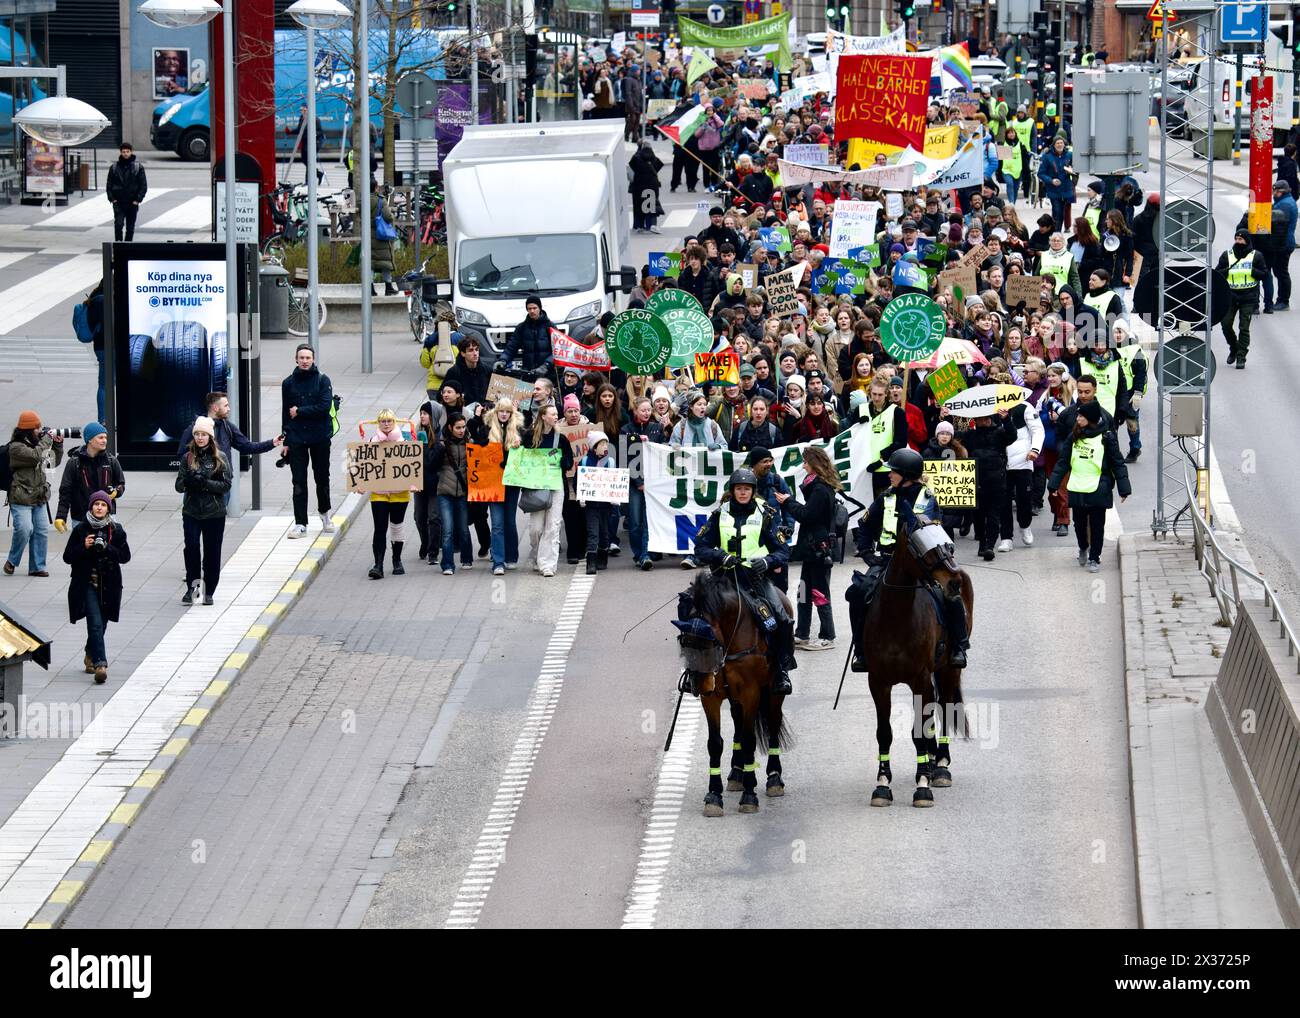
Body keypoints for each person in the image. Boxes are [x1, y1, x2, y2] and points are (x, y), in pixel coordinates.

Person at [847, 448, 970, 671]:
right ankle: (861, 650)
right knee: (857, 593)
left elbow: (930, 532)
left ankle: (959, 646)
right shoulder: (886, 496)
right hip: (886, 561)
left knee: (950, 595)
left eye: (893, 472)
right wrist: (867, 553)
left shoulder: (928, 499)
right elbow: (865, 525)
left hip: (921, 562)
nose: (889, 475)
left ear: (906, 475)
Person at [691, 467, 795, 695]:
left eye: (747, 489)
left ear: (753, 491)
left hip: (755, 579)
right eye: (739, 489)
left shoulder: (766, 514)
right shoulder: (719, 514)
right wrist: (720, 555)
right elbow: (700, 547)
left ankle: (781, 670)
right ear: (733, 490)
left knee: (781, 618)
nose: (743, 493)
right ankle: (695, 672)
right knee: (692, 614)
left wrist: (767, 562)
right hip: (723, 578)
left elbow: (783, 551)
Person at [1048, 399, 1131, 573]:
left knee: (1097, 525)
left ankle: (1094, 557)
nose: (1077, 418)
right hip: (1077, 485)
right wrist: (1054, 484)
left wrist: (1124, 489)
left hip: (1098, 486)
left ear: (1091, 418)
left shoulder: (1107, 437)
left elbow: (1118, 463)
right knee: (1079, 524)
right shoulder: (1074, 436)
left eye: (1081, 415)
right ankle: (1083, 547)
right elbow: (1063, 462)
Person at [772, 445, 840, 651]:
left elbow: (806, 515)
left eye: (805, 462)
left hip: (818, 549)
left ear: (814, 464)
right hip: (811, 550)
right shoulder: (817, 486)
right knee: (803, 591)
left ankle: (827, 636)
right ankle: (802, 633)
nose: (803, 465)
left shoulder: (820, 489)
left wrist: (788, 502)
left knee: (819, 592)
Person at [63, 490, 130, 685]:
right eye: (96, 504)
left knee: (103, 622)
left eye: (103, 505)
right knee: (95, 622)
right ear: (91, 506)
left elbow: (125, 557)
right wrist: (83, 546)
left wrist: (107, 547)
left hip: (109, 584)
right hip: (87, 584)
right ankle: (101, 665)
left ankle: (89, 654)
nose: (99, 507)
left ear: (108, 508)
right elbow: (67, 557)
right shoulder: (81, 530)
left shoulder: (116, 530)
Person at [175, 392, 281, 497]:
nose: (229, 409)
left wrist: (272, 443)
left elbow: (247, 447)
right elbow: (182, 455)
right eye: (225, 405)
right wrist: (193, 474)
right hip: (196, 487)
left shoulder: (227, 427)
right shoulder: (195, 428)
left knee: (219, 513)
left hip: (220, 486)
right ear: (215, 407)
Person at [175, 415, 231, 605]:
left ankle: (209, 590)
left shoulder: (220, 458)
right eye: (197, 434)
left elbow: (226, 485)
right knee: (191, 549)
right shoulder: (187, 457)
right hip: (191, 511)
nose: (200, 438)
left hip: (214, 513)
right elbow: (178, 486)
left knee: (212, 552)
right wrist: (189, 481)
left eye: (203, 434)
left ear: (210, 437)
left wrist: (205, 483)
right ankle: (193, 587)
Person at [281, 343, 335, 538]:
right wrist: (285, 439)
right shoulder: (288, 383)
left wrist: (300, 411)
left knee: (322, 478)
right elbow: (285, 413)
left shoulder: (323, 380)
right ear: (296, 359)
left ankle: (325, 514)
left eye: (308, 358)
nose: (304, 361)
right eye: (301, 358)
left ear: (313, 359)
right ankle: (301, 523)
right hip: (296, 438)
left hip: (320, 437)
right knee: (298, 482)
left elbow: (324, 406)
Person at [4, 411, 62, 576]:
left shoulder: (38, 444)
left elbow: (51, 463)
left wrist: (57, 444)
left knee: (41, 531)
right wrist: (47, 439)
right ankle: (12, 560)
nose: (39, 430)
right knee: (24, 529)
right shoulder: (16, 448)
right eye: (36, 428)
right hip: (21, 496)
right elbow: (36, 456)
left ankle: (37, 567)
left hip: (39, 496)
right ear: (28, 430)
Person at [521, 403, 572, 577]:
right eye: (552, 414)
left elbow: (569, 462)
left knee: (553, 525)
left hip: (556, 485)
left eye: (556, 414)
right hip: (536, 486)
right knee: (536, 528)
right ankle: (536, 556)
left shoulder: (561, 439)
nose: (555, 416)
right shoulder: (529, 437)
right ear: (543, 416)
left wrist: (562, 461)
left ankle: (548, 564)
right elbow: (522, 458)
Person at [476, 397, 524, 575]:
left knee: (509, 521)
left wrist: (518, 446)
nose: (504, 414)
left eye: (507, 411)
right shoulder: (487, 429)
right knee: (496, 523)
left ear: (511, 414)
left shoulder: (518, 430)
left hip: (511, 483)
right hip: (493, 482)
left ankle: (511, 556)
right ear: (496, 412)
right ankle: (498, 561)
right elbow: (479, 447)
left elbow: (524, 455)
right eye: (501, 411)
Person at [366, 410, 413, 579]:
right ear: (378, 423)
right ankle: (378, 564)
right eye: (383, 421)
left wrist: (413, 484)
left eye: (389, 421)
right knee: (380, 528)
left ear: (394, 422)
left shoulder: (404, 441)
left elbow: (411, 466)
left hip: (400, 492)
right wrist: (361, 484)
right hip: (379, 492)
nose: (386, 424)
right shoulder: (372, 441)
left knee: (397, 527)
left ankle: (397, 560)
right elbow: (366, 465)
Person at [55, 421, 125, 534]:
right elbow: (65, 491)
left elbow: (121, 484)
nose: (104, 441)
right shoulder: (74, 463)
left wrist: (116, 492)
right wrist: (61, 516)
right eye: (100, 437)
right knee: (82, 550)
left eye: (105, 437)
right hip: (81, 518)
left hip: (107, 517)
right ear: (90, 440)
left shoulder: (111, 461)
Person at [1216, 229, 1267, 369]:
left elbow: (1265, 274)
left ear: (1247, 241)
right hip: (1230, 296)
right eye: (1236, 239)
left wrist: (1253, 271)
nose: (1238, 242)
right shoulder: (1227, 255)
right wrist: (1226, 271)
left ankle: (1241, 357)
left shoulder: (1256, 256)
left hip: (1248, 297)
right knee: (1226, 325)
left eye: (1241, 239)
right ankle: (1234, 347)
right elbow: (1216, 274)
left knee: (1244, 328)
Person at [435, 413, 473, 575]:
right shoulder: (442, 445)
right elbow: (432, 465)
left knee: (463, 528)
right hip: (445, 492)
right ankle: (448, 564)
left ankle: (466, 558)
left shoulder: (470, 443)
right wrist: (439, 450)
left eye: (463, 427)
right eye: (458, 427)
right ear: (450, 427)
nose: (461, 430)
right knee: (448, 529)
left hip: (463, 492)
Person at [860, 379, 909, 497]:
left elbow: (901, 441)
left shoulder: (897, 412)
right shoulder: (861, 409)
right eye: (874, 394)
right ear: (870, 393)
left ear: (886, 394)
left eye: (880, 395)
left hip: (887, 469)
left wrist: (882, 458)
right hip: (864, 469)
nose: (876, 398)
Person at [578, 430, 614, 574]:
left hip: (606, 505)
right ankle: (590, 562)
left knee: (604, 532)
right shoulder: (585, 461)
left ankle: (602, 557)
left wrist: (615, 497)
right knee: (593, 532)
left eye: (606, 444)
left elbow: (615, 480)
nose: (605, 447)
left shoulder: (610, 462)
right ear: (594, 447)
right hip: (591, 505)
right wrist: (581, 495)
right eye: (602, 444)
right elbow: (578, 481)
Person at [499, 294, 555, 376]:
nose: (532, 311)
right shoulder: (521, 327)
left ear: (540, 308)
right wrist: (503, 360)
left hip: (546, 373)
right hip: (527, 372)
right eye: (529, 309)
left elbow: (557, 351)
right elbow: (511, 347)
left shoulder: (550, 326)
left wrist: (546, 365)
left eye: (534, 308)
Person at [106, 142, 147, 242]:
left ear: (131, 152)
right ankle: (118, 246)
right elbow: (109, 185)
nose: (125, 154)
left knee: (130, 227)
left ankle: (128, 247)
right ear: (120, 153)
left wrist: (137, 200)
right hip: (119, 202)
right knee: (118, 225)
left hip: (132, 202)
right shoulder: (114, 167)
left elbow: (143, 185)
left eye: (127, 152)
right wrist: (112, 199)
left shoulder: (138, 167)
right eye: (123, 152)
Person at [1037, 136, 1075, 232]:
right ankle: (1056, 232)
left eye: (1061, 143)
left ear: (1064, 144)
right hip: (1053, 190)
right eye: (1057, 143)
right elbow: (1040, 173)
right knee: (1057, 211)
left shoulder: (1070, 155)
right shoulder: (1047, 156)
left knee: (1062, 212)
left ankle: (1057, 232)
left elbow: (1077, 169)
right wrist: (1051, 180)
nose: (1060, 145)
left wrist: (1072, 171)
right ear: (1053, 145)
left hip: (1066, 188)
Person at [1272, 179, 1297, 311]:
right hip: (1285, 242)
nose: (1273, 194)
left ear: (1281, 192)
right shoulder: (1284, 202)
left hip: (1284, 244)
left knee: (1281, 273)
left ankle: (1283, 301)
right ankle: (1282, 300)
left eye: (1275, 191)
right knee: (1280, 272)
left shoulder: (1284, 206)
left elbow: (1277, 224)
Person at [629, 142, 664, 234]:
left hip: (639, 184)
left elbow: (632, 164)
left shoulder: (637, 158)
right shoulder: (653, 158)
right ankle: (652, 225)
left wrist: (638, 150)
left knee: (639, 204)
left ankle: (640, 225)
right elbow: (659, 165)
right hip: (652, 184)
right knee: (652, 204)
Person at [371, 189, 398, 295]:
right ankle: (388, 287)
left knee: (370, 263)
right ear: (376, 187)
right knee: (385, 262)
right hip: (381, 234)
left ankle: (370, 289)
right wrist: (392, 217)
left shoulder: (361, 200)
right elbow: (388, 216)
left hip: (368, 235)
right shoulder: (381, 201)